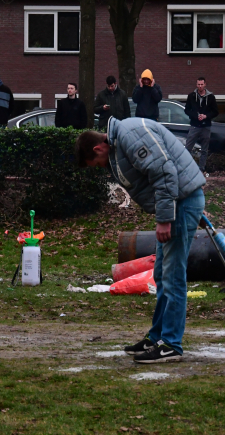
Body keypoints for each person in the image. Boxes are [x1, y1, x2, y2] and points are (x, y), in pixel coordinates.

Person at [75, 118, 206, 363]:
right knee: (161, 273)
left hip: (181, 204)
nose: (100, 167)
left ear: (98, 148)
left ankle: (171, 344)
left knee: (173, 275)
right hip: (181, 202)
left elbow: (163, 171)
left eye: (96, 163)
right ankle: (157, 337)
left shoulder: (129, 135)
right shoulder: (122, 142)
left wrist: (165, 219)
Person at [184, 77, 218, 175]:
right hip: (194, 125)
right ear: (196, 84)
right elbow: (186, 110)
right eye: (198, 84)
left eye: (201, 84)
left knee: (204, 149)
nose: (200, 86)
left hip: (206, 126)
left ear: (205, 84)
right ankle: (187, 167)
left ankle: (201, 168)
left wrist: (206, 116)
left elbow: (215, 111)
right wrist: (195, 115)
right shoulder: (191, 96)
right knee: (188, 147)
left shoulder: (211, 97)